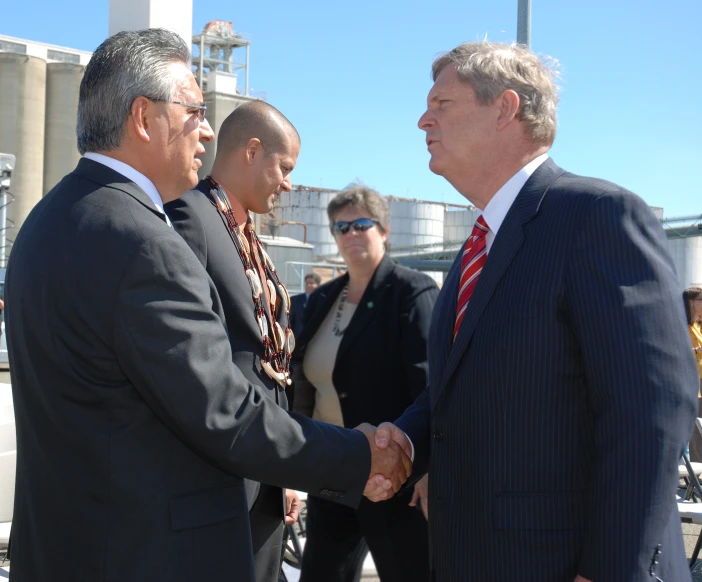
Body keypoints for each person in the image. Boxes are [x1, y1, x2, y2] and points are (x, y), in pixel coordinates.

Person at [4, 29, 411, 582]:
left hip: (73, 544)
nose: (205, 132)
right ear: (144, 119)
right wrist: (360, 457)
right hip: (147, 553)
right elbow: (225, 414)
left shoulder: (51, 219)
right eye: (194, 112)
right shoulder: (142, 240)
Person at [367, 41, 699, 581]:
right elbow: (463, 385)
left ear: (505, 108)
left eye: (442, 103)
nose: (423, 119)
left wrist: (608, 571)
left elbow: (651, 406)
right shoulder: (479, 245)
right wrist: (405, 437)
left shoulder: (596, 216)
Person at [164, 101, 304, 582]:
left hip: (263, 472)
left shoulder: (247, 233)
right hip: (220, 474)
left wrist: (284, 474)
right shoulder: (190, 218)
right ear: (252, 150)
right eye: (284, 168)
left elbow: (272, 361)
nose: (287, 183)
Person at [293, 184, 436, 582]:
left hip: (393, 479)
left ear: (384, 231)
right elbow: (304, 381)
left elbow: (431, 386)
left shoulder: (411, 292)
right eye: (341, 228)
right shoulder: (322, 300)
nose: (350, 235)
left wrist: (427, 472)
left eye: (361, 224)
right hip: (333, 471)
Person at [685, 287, 702, 461]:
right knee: (697, 422)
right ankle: (697, 466)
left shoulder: (699, 324)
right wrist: (698, 350)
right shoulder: (684, 325)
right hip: (693, 377)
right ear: (691, 302)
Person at [289, 273, 321, 339]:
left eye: (312, 283)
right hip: (298, 339)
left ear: (318, 285)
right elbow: (290, 321)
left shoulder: (323, 301)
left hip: (316, 339)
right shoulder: (294, 300)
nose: (308, 285)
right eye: (307, 283)